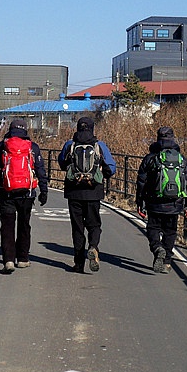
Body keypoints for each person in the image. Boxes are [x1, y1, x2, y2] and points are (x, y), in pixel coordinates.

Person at [0, 118, 48, 274]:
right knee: (24, 225)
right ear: (25, 130)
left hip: (6, 192)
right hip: (27, 193)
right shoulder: (32, 147)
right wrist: (44, 191)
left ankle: (8, 260)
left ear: (10, 129)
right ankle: (22, 258)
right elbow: (40, 170)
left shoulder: (1, 146)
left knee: (7, 226)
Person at [57, 116, 116, 273]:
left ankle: (78, 264)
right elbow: (111, 168)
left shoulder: (70, 145)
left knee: (77, 228)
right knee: (94, 224)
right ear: (92, 128)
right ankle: (93, 246)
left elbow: (62, 163)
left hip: (73, 192)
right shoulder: (99, 146)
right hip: (94, 192)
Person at [135, 126, 187, 274]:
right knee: (170, 231)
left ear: (158, 138)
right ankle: (167, 261)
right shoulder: (181, 159)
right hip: (175, 203)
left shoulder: (150, 158)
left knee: (153, 228)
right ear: (173, 138)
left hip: (154, 202)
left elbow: (141, 182)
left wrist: (140, 202)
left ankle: (157, 248)